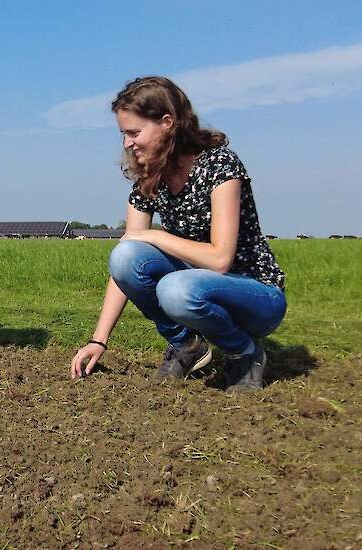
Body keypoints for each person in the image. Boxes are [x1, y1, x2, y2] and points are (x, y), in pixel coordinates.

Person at [70, 76, 286, 392]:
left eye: (134, 133)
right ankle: (186, 346)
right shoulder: (150, 177)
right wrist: (98, 339)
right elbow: (125, 264)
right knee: (125, 255)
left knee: (175, 288)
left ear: (167, 123)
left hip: (255, 295)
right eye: (123, 134)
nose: (127, 143)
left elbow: (220, 259)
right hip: (194, 288)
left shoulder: (219, 163)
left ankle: (246, 351)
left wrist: (154, 236)